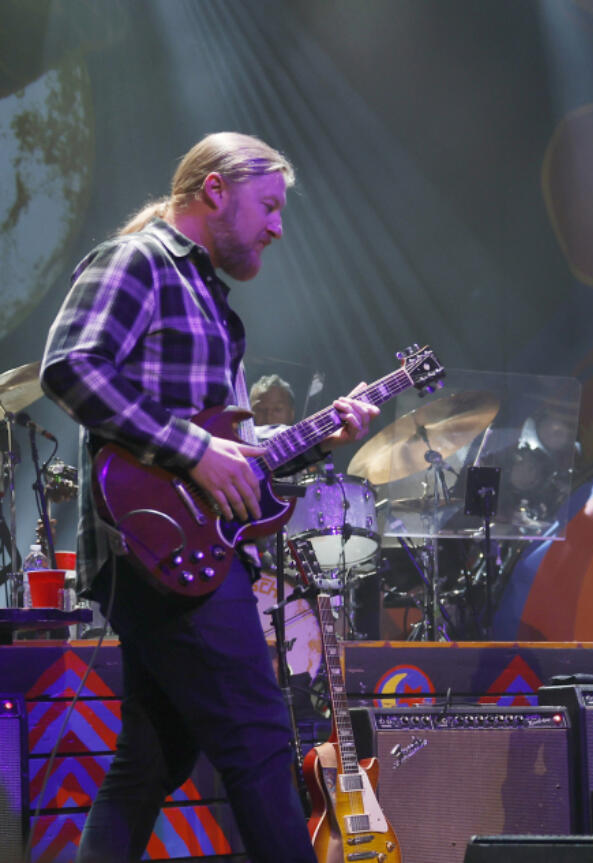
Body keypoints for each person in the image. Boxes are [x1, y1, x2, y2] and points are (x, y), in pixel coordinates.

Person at [40, 132, 380, 863]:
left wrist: (321, 439)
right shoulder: (138, 261)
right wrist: (192, 448)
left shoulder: (212, 304)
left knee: (149, 764)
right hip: (154, 547)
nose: (278, 226)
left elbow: (234, 462)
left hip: (185, 547)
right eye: (269, 205)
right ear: (215, 189)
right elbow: (68, 367)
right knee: (259, 741)